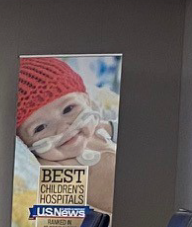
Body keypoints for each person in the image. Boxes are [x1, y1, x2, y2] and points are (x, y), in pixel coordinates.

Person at [15, 57, 117, 215]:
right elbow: (80, 214)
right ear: (26, 143)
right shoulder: (53, 168)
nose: (63, 128)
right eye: (40, 128)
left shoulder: (99, 127)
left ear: (87, 101)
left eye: (68, 109)